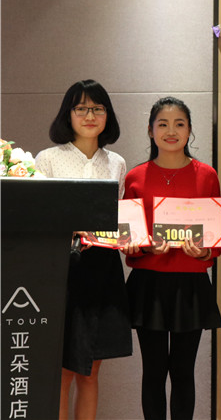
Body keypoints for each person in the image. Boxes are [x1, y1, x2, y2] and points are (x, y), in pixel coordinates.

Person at [35, 79, 132, 420]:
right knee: (62, 371)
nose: (90, 115)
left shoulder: (117, 163)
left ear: (107, 115)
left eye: (97, 108)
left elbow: (120, 218)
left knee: (91, 371)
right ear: (68, 114)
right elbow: (39, 220)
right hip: (64, 271)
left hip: (104, 270)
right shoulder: (47, 159)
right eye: (81, 108)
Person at [121, 97, 221, 420]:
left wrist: (205, 251)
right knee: (153, 371)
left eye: (179, 124)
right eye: (162, 124)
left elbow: (217, 236)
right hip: (148, 284)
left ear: (190, 130)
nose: (171, 131)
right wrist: (144, 247)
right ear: (150, 131)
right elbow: (128, 238)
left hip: (190, 283)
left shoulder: (207, 175)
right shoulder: (135, 177)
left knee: (183, 371)